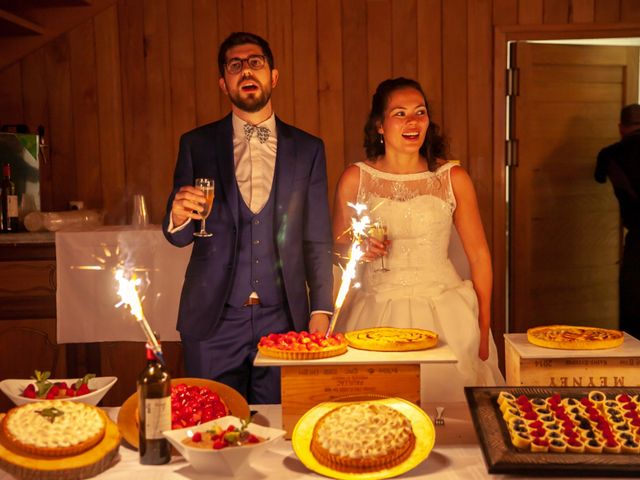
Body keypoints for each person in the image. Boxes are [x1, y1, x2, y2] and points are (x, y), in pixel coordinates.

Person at [162, 32, 334, 404]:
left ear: (273, 76)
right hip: (213, 321)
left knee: (278, 430)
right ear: (223, 82)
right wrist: (176, 216)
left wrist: (321, 308)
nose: (246, 71)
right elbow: (180, 236)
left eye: (255, 62)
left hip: (283, 319)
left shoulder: (308, 149)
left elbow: (317, 239)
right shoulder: (196, 144)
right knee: (210, 425)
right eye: (235, 65)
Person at [332, 77, 504, 402]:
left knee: (448, 414)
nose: (412, 122)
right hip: (374, 309)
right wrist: (358, 247)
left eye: (420, 112)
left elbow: (480, 257)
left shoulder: (453, 178)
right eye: (400, 113)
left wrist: (484, 329)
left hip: (444, 311)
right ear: (379, 126)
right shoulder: (356, 178)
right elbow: (337, 245)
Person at [595, 103, 640, 339]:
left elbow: (599, 177)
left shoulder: (610, 154)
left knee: (633, 306)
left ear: (621, 128)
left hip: (638, 237)